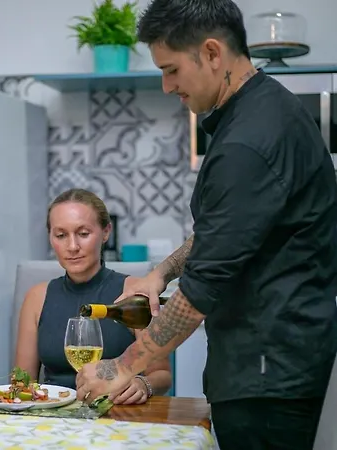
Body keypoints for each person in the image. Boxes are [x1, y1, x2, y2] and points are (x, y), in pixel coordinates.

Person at [75, 0, 337, 448]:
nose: (167, 86)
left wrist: (122, 366)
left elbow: (200, 292)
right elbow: (225, 230)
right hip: (270, 367)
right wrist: (161, 273)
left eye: (172, 70)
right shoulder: (262, 111)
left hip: (267, 376)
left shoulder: (248, 141)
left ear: (213, 53)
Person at [14, 188, 172, 405]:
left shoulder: (135, 294)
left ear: (106, 232)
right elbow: (22, 383)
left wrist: (143, 383)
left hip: (118, 412)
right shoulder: (36, 297)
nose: (72, 246)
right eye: (61, 235)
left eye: (83, 234)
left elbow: (162, 375)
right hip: (52, 416)